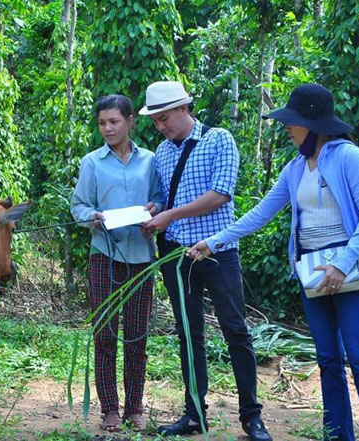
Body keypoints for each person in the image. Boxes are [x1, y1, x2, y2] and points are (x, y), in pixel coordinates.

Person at [188, 83, 359, 441]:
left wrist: (343, 263)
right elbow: (260, 213)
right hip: (311, 271)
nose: (288, 128)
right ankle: (337, 435)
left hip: (346, 270)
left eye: (293, 122)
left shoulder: (348, 156)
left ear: (313, 125)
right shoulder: (296, 168)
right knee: (329, 361)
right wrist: (213, 241)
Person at [140, 81, 272, 441]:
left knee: (235, 330)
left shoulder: (219, 140)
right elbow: (166, 199)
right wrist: (157, 212)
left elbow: (220, 194)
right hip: (178, 254)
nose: (161, 127)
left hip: (218, 251)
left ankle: (252, 417)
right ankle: (194, 414)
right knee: (188, 333)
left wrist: (170, 215)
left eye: (164, 118)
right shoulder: (162, 152)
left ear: (185, 108)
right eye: (155, 121)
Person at [70, 94, 163, 432]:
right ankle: (110, 409)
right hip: (104, 257)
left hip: (141, 258)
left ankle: (134, 408)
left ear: (130, 122)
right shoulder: (92, 162)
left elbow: (161, 198)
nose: (107, 129)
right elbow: (79, 205)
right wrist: (91, 218)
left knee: (137, 336)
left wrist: (153, 210)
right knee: (105, 335)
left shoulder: (151, 160)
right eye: (101, 123)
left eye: (114, 122)